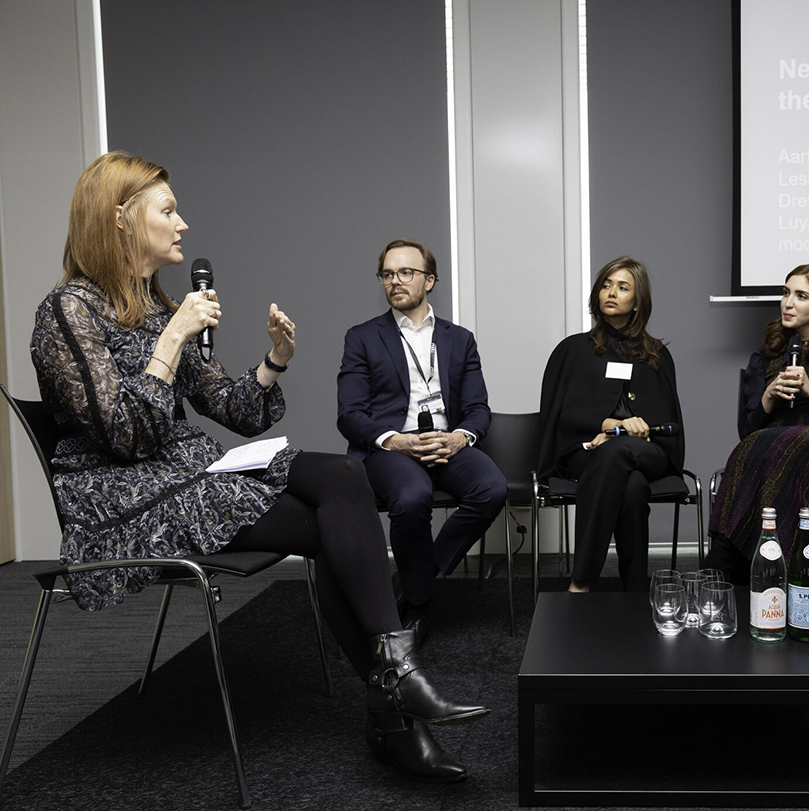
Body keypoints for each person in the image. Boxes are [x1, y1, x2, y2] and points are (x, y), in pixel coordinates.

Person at [31, 151, 487, 784]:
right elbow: (126, 436)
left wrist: (275, 360)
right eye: (168, 209)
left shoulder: (160, 308)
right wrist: (171, 342)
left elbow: (234, 409)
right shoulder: (67, 312)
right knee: (337, 517)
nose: (183, 222)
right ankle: (396, 709)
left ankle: (395, 686)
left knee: (342, 478)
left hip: (188, 473)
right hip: (125, 499)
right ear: (121, 219)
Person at [337, 239, 506, 636]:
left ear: (429, 280)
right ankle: (418, 607)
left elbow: (479, 408)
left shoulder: (459, 339)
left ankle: (419, 575)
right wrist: (394, 440)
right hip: (391, 447)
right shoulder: (361, 337)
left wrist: (460, 437)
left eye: (406, 272)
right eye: (388, 274)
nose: (395, 281)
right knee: (413, 497)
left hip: (446, 441)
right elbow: (349, 415)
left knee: (492, 488)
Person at [707, 264, 809, 580]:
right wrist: (768, 398)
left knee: (770, 446)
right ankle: (773, 569)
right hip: (773, 445)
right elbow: (749, 429)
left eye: (801, 295)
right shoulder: (766, 354)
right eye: (786, 293)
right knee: (756, 446)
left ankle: (726, 567)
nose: (788, 303)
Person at [537, 256, 684, 592]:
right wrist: (606, 428)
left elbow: (667, 422)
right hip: (587, 450)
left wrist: (632, 433)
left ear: (638, 301)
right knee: (631, 485)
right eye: (606, 285)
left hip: (648, 451)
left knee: (619, 453)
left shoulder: (656, 354)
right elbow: (559, 414)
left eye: (622, 287)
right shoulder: (572, 349)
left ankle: (581, 579)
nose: (611, 293)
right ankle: (634, 589)